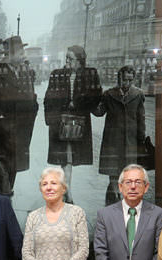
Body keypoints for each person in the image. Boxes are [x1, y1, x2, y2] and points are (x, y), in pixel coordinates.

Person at [0, 35, 39, 196]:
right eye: (20, 51)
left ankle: (7, 192)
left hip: (20, 126)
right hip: (2, 126)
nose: (23, 54)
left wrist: (33, 108)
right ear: (11, 53)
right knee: (2, 163)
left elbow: (29, 95)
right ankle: (2, 195)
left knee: (14, 163)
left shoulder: (23, 71)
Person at [44, 45, 102, 203]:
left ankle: (66, 189)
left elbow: (96, 95)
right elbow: (49, 97)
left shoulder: (90, 74)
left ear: (80, 61)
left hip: (79, 122)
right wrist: (50, 119)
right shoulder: (57, 74)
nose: (67, 61)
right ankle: (66, 190)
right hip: (60, 122)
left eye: (71, 59)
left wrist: (76, 103)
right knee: (65, 157)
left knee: (69, 157)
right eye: (67, 58)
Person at [93, 65, 148, 206]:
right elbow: (99, 112)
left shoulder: (138, 95)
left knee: (128, 171)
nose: (127, 83)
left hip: (130, 140)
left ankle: (124, 199)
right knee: (112, 169)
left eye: (130, 80)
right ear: (119, 78)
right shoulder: (109, 94)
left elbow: (141, 118)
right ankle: (113, 197)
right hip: (112, 139)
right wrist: (92, 99)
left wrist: (141, 139)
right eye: (125, 80)